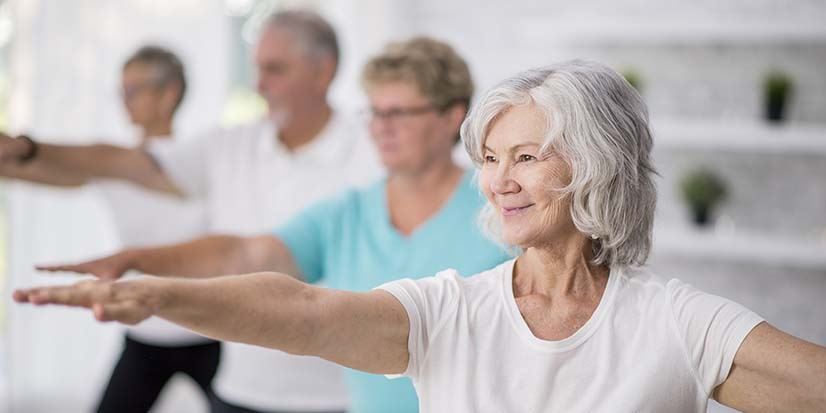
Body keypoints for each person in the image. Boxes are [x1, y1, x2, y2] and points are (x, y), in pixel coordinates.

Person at [15, 60, 826, 412]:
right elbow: (299, 310)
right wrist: (157, 293)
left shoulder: (677, 322)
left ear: (599, 166)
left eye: (528, 157)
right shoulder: (450, 312)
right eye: (491, 158)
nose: (501, 179)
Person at [32, 37, 513, 413]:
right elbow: (246, 255)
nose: (381, 126)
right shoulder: (347, 213)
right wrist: (139, 262)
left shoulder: (500, 205)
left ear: (453, 117)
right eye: (375, 111)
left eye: (400, 113)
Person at [2, 10, 381, 413]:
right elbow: (123, 162)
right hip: (242, 389)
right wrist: (29, 149)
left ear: (323, 71)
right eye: (257, 69)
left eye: (275, 70)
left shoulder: (373, 150)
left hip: (338, 394)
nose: (260, 85)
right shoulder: (228, 147)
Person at [0, 45, 220, 413]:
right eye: (122, 91)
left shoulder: (199, 157)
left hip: (208, 330)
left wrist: (24, 146)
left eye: (134, 90)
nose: (125, 101)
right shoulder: (109, 167)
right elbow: (41, 168)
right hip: (145, 329)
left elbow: (108, 159)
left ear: (169, 94)